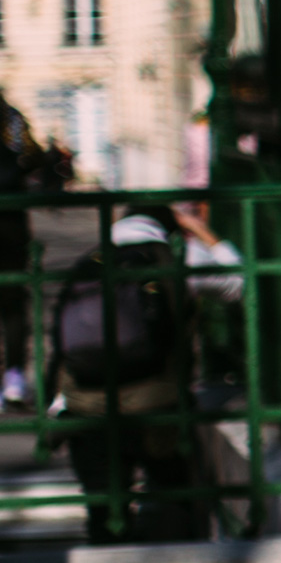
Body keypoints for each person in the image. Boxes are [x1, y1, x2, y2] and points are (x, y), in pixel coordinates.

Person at [51, 208, 203, 544]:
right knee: (173, 493)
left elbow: (62, 346)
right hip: (156, 404)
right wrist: (203, 232)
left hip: (87, 406)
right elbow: (238, 282)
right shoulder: (178, 259)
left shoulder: (89, 262)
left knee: (104, 506)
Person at [0, 86, 69, 410]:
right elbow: (34, 157)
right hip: (10, 224)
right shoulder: (11, 118)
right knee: (13, 307)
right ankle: (13, 380)